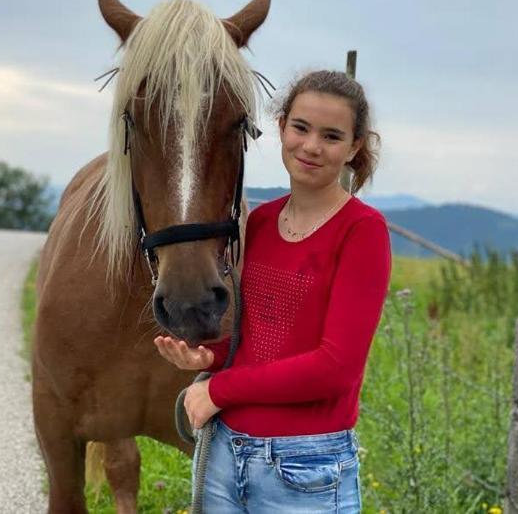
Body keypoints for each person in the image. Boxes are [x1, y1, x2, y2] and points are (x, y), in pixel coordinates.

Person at [154, 69, 392, 512]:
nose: (312, 146)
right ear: (281, 126)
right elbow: (264, 342)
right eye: (300, 127)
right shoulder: (260, 223)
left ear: (355, 147)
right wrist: (212, 356)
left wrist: (217, 390)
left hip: (305, 471)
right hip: (226, 454)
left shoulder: (362, 231)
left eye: (332, 135)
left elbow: (334, 368)